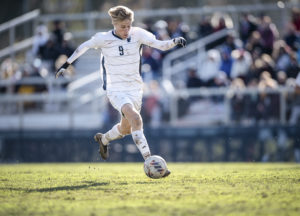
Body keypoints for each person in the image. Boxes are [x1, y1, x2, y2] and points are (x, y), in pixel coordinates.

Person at [55, 6, 186, 176]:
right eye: (123, 26)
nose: (126, 30)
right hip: (115, 88)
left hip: (135, 88)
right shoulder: (103, 38)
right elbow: (84, 47)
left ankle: (104, 139)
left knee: (126, 129)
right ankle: (149, 159)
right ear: (114, 23)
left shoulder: (138, 34)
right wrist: (66, 64)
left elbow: (159, 45)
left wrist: (174, 41)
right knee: (136, 119)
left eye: (128, 26)